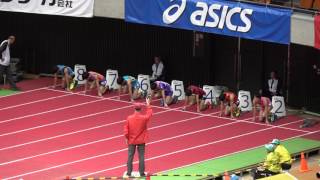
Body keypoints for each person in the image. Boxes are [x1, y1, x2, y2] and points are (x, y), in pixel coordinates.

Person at [124, 97, 153, 177]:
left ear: (134, 108)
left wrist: (126, 138)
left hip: (132, 140)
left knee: (130, 156)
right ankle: (142, 173)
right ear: (140, 109)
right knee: (141, 157)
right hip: (141, 140)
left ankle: (129, 172)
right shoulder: (144, 118)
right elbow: (149, 114)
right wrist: (148, 104)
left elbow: (126, 130)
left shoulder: (129, 118)